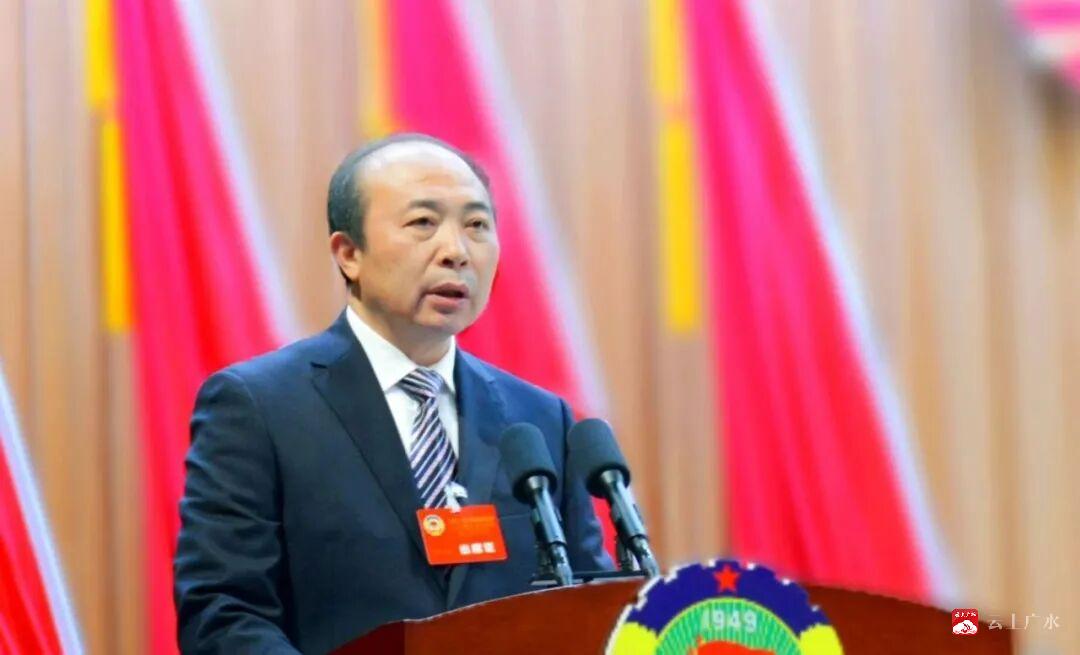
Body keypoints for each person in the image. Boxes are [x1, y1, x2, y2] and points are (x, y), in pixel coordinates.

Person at [173, 133, 611, 654]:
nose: (456, 252)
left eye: (476, 225)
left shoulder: (538, 420)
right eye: (423, 223)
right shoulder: (259, 407)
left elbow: (592, 604)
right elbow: (224, 612)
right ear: (349, 254)